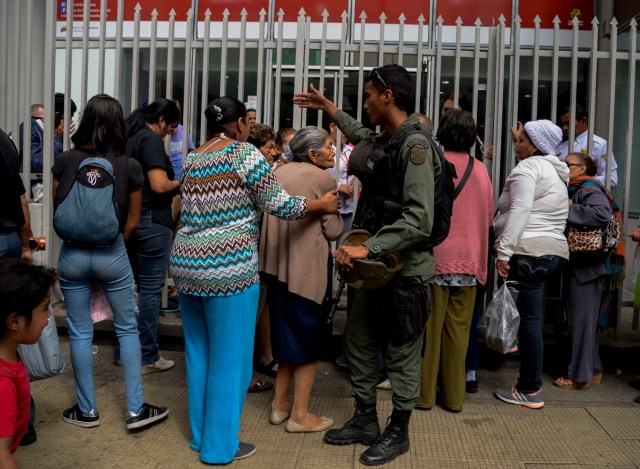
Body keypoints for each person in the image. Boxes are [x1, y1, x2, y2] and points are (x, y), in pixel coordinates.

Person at [169, 96, 339, 464]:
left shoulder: (193, 157)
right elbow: (281, 204)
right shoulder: (242, 154)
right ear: (240, 125)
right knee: (231, 361)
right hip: (228, 269)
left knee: (199, 354)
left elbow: (182, 207)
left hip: (186, 264)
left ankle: (201, 438)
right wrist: (320, 205)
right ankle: (219, 448)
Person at [294, 64, 439, 466]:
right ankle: (364, 420)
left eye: (371, 94)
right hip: (373, 269)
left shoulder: (417, 148)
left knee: (402, 353)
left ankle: (399, 431)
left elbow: (419, 220)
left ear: (389, 95)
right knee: (358, 343)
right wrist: (330, 109)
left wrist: (367, 247)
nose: (367, 101)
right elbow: (361, 137)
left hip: (404, 270)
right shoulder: (389, 139)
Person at [53, 94, 169, 430]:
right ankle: (135, 411)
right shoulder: (128, 165)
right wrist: (111, 243)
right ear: (119, 124)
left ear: (86, 120)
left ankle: (87, 411)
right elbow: (132, 221)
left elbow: (63, 209)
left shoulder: (65, 160)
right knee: (127, 328)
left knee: (78, 331)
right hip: (112, 252)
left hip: (72, 254)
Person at [260, 126, 342, 432]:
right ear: (312, 153)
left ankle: (279, 405)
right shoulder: (323, 179)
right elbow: (333, 231)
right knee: (308, 344)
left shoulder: (277, 173)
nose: (333, 151)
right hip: (306, 273)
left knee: (285, 338)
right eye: (330, 146)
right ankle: (300, 415)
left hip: (274, 269)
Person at [417, 110, 493, 412]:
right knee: (459, 335)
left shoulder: (434, 164)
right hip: (470, 263)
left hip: (436, 259)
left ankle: (423, 397)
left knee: (429, 334)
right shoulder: (480, 170)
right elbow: (488, 217)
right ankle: (453, 397)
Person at [493, 119, 569, 409]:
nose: (516, 142)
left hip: (528, 252)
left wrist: (503, 251)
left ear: (535, 145)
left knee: (530, 323)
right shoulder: (554, 171)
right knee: (531, 320)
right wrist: (524, 144)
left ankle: (530, 389)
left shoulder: (527, 168)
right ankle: (528, 381)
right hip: (553, 254)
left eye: (522, 139)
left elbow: (521, 208)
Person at [123, 98, 180, 373]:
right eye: (170, 127)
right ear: (160, 121)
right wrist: (182, 182)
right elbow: (159, 185)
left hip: (131, 222)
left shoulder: (130, 138)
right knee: (149, 290)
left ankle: (128, 352)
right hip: (152, 221)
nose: (169, 133)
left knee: (133, 288)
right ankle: (147, 356)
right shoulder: (151, 140)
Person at [554, 152, 611, 389]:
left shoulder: (587, 189)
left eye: (568, 164)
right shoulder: (580, 188)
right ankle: (593, 370)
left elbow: (602, 214)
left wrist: (570, 208)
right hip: (585, 265)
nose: (564, 166)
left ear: (582, 168)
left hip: (585, 265)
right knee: (586, 323)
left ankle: (578, 376)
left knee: (580, 324)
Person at [0, 259, 56, 468]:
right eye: (44, 309)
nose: (49, 315)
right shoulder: (3, 384)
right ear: (15, 321)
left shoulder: (10, 357)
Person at [556, 104, 618, 188]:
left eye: (568, 123)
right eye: (563, 124)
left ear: (584, 121)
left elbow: (611, 180)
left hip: (586, 197)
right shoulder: (561, 147)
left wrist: (581, 180)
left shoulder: (599, 145)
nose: (564, 128)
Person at [169, 99, 195, 180]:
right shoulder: (161, 134)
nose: (178, 116)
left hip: (184, 178)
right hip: (168, 180)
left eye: (179, 113)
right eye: (174, 113)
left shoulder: (183, 130)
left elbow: (192, 152)